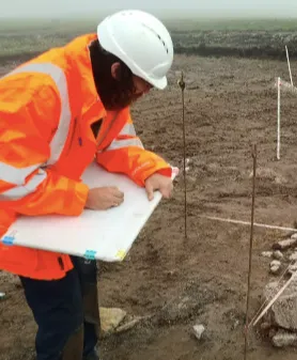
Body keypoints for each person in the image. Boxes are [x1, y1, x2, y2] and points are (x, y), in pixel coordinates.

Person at [0, 9, 175, 360]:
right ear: (117, 70)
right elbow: (11, 182)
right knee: (63, 317)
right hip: (25, 226)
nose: (139, 97)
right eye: (139, 89)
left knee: (85, 299)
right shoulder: (37, 95)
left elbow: (116, 142)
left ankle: (86, 351)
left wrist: (149, 169)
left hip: (63, 220)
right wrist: (82, 197)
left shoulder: (105, 89)